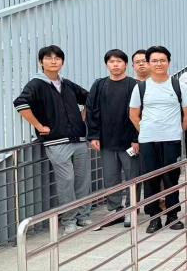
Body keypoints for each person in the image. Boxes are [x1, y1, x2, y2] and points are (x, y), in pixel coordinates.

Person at [15, 45, 92, 233]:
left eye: (57, 58)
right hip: (56, 142)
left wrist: (82, 117)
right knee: (66, 180)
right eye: (48, 58)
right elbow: (20, 104)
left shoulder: (67, 84)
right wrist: (39, 126)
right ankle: (69, 221)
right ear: (41, 62)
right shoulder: (36, 84)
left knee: (82, 180)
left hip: (79, 139)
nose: (53, 61)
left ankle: (83, 217)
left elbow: (89, 98)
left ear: (62, 62)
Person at [128, 46, 187, 233]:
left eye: (162, 60)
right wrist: (146, 131)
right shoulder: (141, 87)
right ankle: (154, 217)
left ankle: (173, 215)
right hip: (148, 141)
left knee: (171, 177)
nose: (158, 64)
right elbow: (133, 115)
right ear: (148, 63)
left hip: (171, 140)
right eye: (154, 61)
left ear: (169, 62)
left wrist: (177, 131)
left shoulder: (178, 85)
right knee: (150, 179)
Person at [86, 49, 140, 229]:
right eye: (111, 61)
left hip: (129, 141)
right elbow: (91, 110)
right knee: (110, 178)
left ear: (126, 64)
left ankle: (132, 209)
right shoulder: (99, 85)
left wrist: (136, 138)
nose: (115, 65)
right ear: (106, 64)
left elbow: (140, 113)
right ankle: (115, 209)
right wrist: (93, 135)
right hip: (106, 141)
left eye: (119, 61)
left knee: (132, 176)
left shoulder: (134, 85)